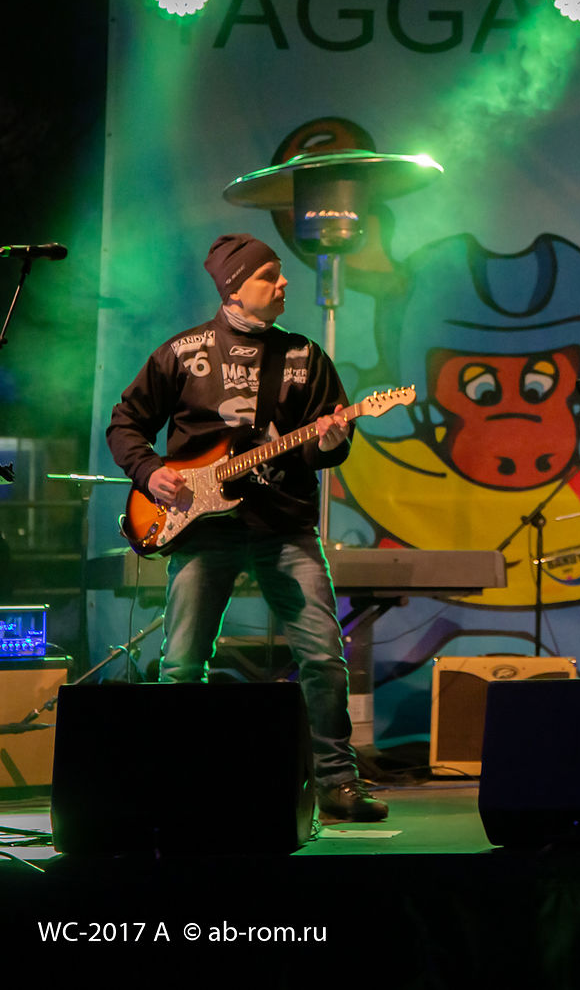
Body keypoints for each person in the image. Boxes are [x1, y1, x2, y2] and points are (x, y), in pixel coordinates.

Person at [107, 233, 387, 822]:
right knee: (183, 663)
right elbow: (126, 424)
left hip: (285, 524)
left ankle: (337, 781)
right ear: (234, 288)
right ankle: (175, 786)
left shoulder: (305, 355)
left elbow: (321, 450)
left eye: (281, 274)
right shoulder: (182, 352)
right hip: (201, 529)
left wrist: (332, 440)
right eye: (269, 275)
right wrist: (151, 473)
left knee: (323, 655)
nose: (284, 283)